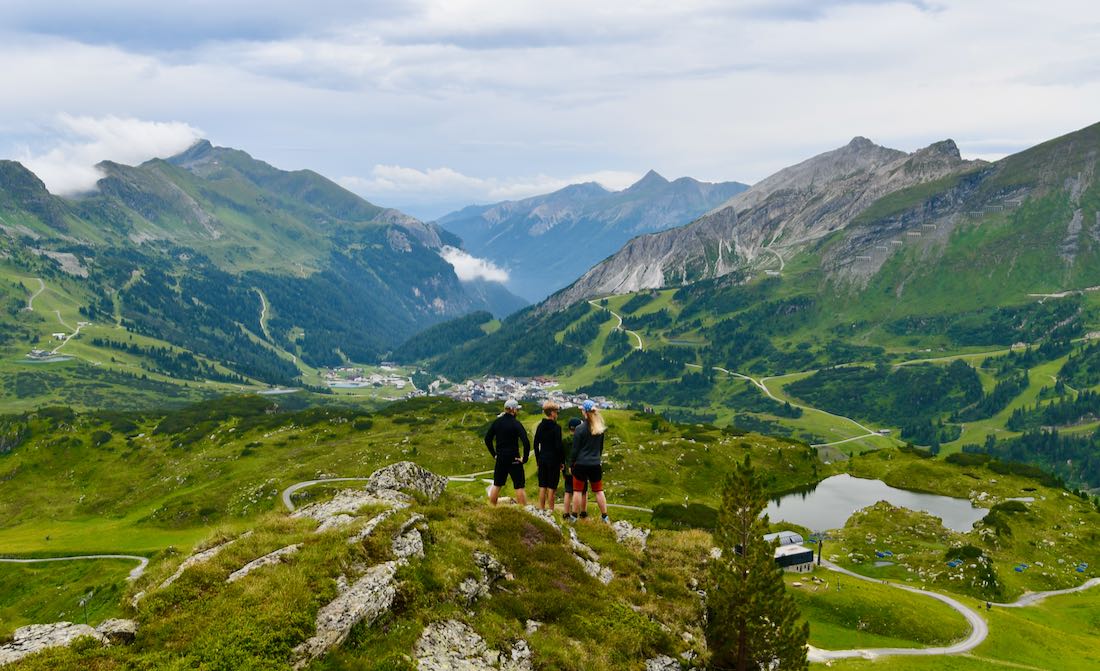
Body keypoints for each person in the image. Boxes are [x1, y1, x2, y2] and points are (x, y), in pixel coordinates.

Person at [485, 399, 531, 506]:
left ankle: (491, 508)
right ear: (513, 410)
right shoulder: (516, 423)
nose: (517, 411)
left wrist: (494, 454)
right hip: (514, 459)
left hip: (501, 458)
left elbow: (487, 439)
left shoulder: (497, 422)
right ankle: (523, 510)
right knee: (519, 486)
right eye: (517, 409)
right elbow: (526, 442)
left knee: (497, 484)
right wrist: (524, 459)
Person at [571, 400, 609, 523]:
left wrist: (572, 463)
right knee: (598, 490)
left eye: (582, 410)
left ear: (585, 412)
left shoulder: (579, 429)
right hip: (595, 464)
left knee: (577, 490)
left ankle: (574, 516)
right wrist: (597, 458)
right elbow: (600, 448)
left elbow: (575, 449)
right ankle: (605, 516)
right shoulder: (599, 429)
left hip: (581, 464)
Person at [532, 400, 563, 512]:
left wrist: (538, 459)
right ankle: (551, 511)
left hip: (542, 458)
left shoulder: (540, 426)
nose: (557, 414)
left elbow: (535, 444)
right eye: (556, 412)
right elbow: (558, 446)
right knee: (551, 487)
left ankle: (541, 509)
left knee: (542, 486)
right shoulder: (557, 427)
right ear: (552, 412)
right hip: (553, 460)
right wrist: (561, 461)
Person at [562, 417, 584, 521]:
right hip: (579, 469)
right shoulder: (581, 440)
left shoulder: (564, 440)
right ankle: (581, 513)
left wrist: (563, 470)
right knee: (581, 492)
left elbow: (562, 455)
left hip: (567, 470)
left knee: (568, 492)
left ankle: (566, 513)